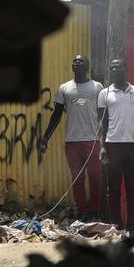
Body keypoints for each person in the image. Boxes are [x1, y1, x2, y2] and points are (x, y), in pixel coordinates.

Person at [39, 54, 104, 220]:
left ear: (87, 67)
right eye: (74, 61)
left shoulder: (97, 87)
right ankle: (82, 212)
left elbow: (104, 115)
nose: (76, 63)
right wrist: (46, 137)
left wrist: (105, 140)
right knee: (77, 179)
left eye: (80, 61)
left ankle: (95, 212)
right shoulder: (64, 88)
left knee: (96, 177)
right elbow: (57, 114)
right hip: (72, 142)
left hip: (92, 140)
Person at [97, 56, 134, 231]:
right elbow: (102, 123)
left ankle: (133, 225)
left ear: (126, 69)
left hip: (132, 145)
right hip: (113, 145)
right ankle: (116, 225)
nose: (114, 70)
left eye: (118, 67)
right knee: (113, 188)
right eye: (112, 68)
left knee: (133, 189)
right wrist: (102, 146)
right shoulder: (104, 94)